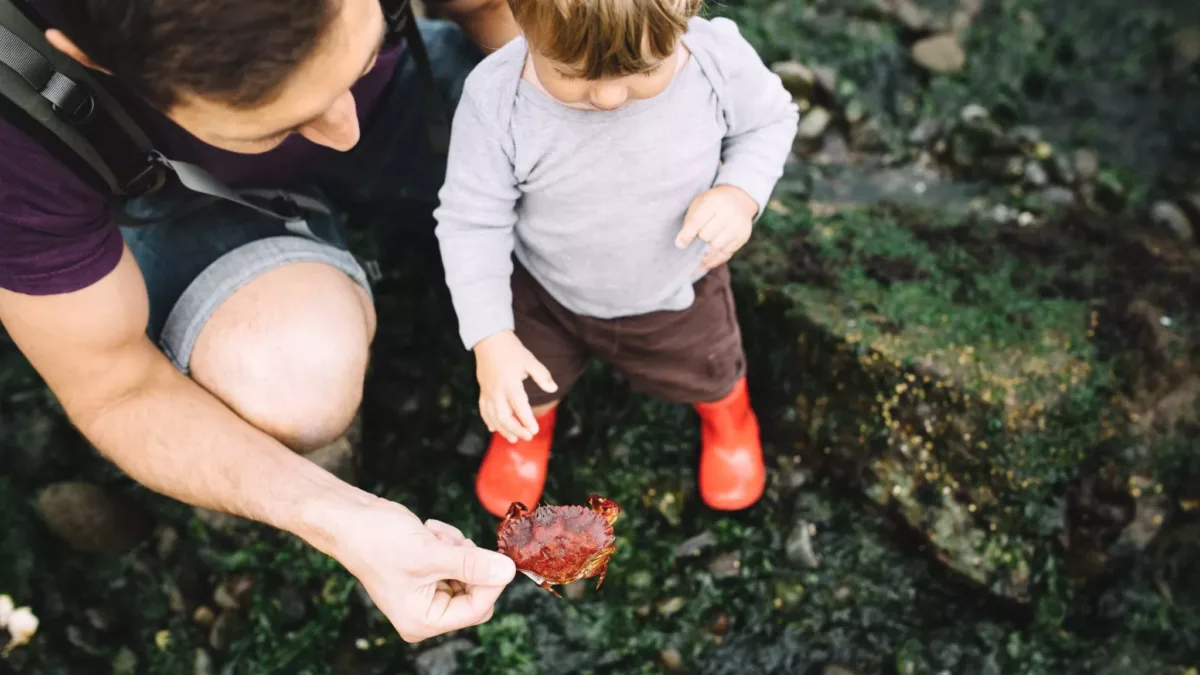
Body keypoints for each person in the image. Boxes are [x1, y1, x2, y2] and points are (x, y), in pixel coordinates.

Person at [0, 0, 521, 643]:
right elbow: (114, 386)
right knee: (290, 381)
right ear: (91, 61)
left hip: (414, 92)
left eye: (357, 58)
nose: (344, 129)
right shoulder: (13, 128)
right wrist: (338, 520)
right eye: (273, 124)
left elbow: (496, 9)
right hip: (172, 190)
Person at [433, 0, 798, 517]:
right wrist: (490, 337)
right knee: (528, 381)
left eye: (645, 69)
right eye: (570, 72)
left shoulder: (716, 59)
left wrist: (741, 192)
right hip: (546, 291)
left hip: (676, 286)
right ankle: (525, 431)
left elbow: (770, 121)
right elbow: (472, 220)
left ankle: (729, 418)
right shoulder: (497, 98)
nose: (607, 97)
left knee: (709, 368)